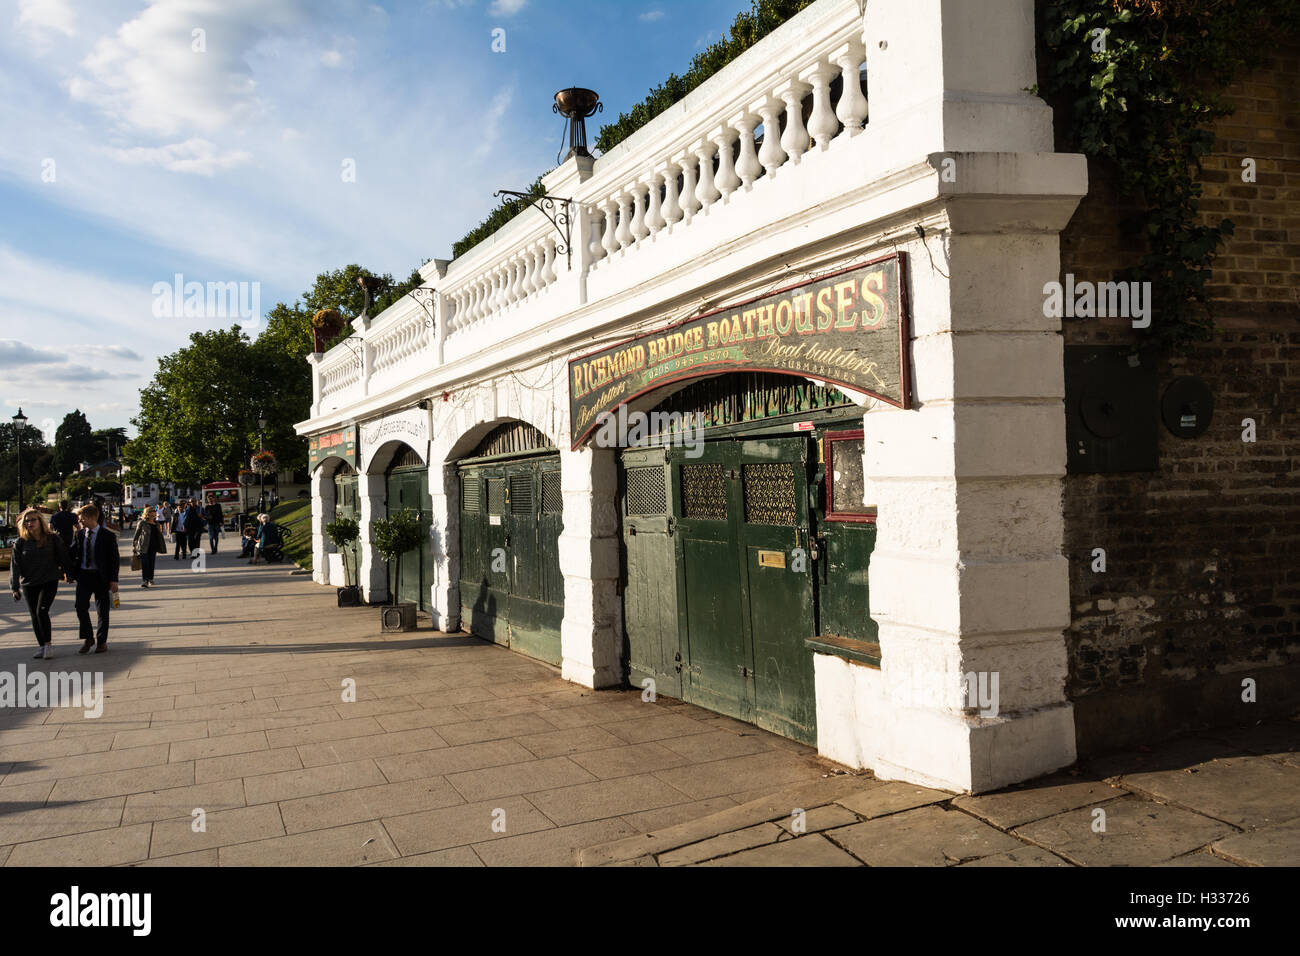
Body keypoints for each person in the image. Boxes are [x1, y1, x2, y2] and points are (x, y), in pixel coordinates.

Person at [9, 508, 74, 659]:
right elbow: (15, 565)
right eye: (27, 521)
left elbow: (63, 556)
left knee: (41, 611)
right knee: (34, 615)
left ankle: (48, 645)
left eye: (32, 520)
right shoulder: (20, 542)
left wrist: (68, 573)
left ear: (40, 521)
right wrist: (15, 586)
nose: (29, 523)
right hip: (29, 582)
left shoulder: (52, 538)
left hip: (48, 580)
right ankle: (42, 645)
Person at [68, 503, 119, 655]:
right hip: (84, 575)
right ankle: (88, 638)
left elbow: (114, 559)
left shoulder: (107, 536)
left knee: (102, 610)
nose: (79, 521)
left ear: (90, 517)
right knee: (80, 607)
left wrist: (113, 580)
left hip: (101, 577)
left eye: (81, 518)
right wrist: (67, 571)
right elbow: (72, 554)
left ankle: (102, 641)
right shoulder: (79, 534)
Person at [132, 506, 167, 588]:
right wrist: (134, 545)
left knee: (151, 563)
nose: (154, 512)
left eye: (155, 511)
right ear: (148, 513)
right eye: (152, 511)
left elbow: (159, 536)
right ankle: (145, 581)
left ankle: (150, 578)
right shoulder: (142, 523)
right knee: (145, 564)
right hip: (143, 546)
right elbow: (136, 535)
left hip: (153, 547)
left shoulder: (157, 524)